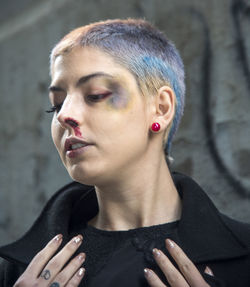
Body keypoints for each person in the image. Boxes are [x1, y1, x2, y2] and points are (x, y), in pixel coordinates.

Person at [0, 18, 249, 287]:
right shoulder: (21, 272)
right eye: (56, 105)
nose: (65, 116)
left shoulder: (243, 259)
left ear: (161, 108)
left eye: (95, 94)